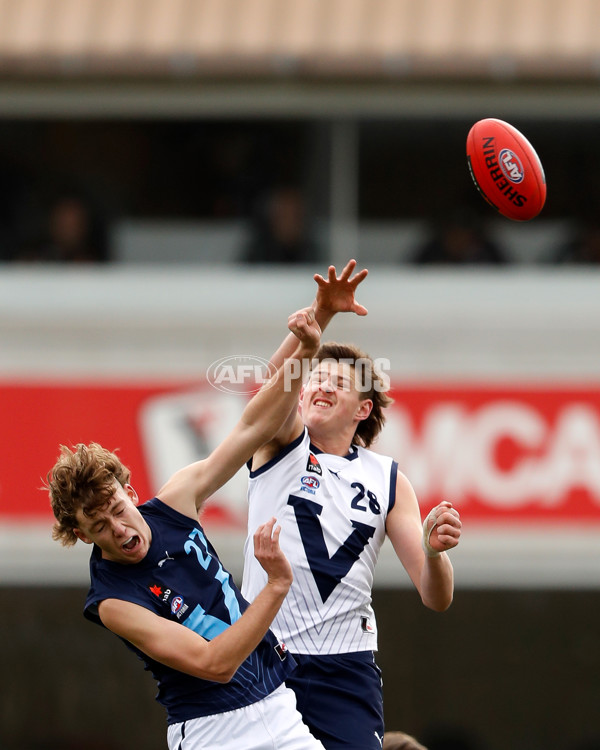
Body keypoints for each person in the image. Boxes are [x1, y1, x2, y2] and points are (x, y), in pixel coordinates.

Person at [46, 304, 326, 750]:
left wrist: (314, 335)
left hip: (278, 707)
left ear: (128, 488)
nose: (118, 529)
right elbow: (215, 664)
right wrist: (275, 586)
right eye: (99, 526)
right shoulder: (113, 601)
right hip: (213, 732)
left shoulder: (178, 500)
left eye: (118, 508)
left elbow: (254, 426)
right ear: (81, 535)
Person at [241, 260, 463, 749]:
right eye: (314, 378)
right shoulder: (278, 445)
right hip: (265, 651)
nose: (320, 386)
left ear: (363, 409)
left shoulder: (387, 478)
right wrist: (318, 319)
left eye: (338, 383)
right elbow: (262, 403)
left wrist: (433, 552)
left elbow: (435, 596)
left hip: (346, 663)